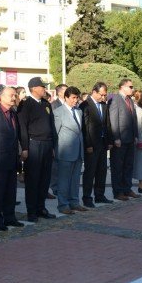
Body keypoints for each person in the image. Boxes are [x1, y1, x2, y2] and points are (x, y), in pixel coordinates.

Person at [17, 77, 57, 222]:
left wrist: (53, 146)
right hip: (34, 144)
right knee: (33, 179)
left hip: (47, 144)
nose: (44, 89)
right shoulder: (26, 104)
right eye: (42, 87)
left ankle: (41, 208)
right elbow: (22, 127)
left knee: (44, 179)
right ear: (34, 88)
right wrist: (25, 147)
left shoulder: (46, 104)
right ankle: (32, 211)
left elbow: (51, 125)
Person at [0, 86, 24, 230]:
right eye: (11, 95)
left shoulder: (13, 113)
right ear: (0, 97)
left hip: (11, 159)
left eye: (15, 95)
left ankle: (10, 217)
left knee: (10, 191)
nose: (14, 98)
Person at [53, 86, 86, 214]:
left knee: (75, 179)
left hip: (78, 151)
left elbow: (80, 131)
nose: (75, 100)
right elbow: (55, 133)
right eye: (73, 98)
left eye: (77, 98)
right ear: (66, 97)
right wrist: (55, 150)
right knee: (63, 180)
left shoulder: (78, 111)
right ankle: (63, 205)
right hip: (65, 152)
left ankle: (74, 202)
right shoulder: (58, 112)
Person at [80, 82, 112, 208]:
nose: (103, 97)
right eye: (101, 94)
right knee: (90, 172)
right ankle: (87, 197)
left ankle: (99, 195)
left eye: (105, 95)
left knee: (102, 171)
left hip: (102, 143)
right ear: (94, 91)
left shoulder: (104, 105)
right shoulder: (85, 105)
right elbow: (85, 127)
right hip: (91, 144)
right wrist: (88, 144)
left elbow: (107, 123)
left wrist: (109, 141)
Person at [108, 79, 139, 201]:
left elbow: (134, 119)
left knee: (128, 165)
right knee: (118, 166)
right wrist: (116, 137)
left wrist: (136, 135)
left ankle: (127, 188)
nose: (132, 89)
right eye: (130, 86)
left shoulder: (129, 100)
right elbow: (113, 119)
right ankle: (118, 191)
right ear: (122, 87)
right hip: (120, 139)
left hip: (130, 138)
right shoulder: (115, 99)